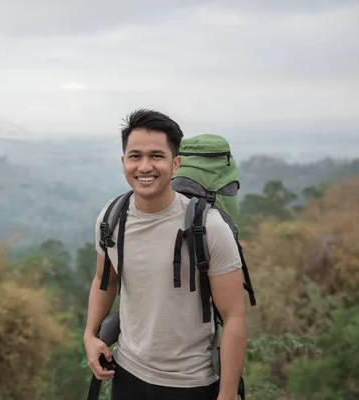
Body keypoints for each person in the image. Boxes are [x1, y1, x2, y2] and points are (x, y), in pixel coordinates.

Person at [83, 109, 248, 400]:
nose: (144, 166)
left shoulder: (208, 227)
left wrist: (228, 394)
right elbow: (103, 280)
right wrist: (90, 336)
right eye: (135, 156)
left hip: (190, 383)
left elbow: (234, 316)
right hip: (127, 373)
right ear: (124, 162)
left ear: (175, 164)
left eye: (156, 156)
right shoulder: (112, 218)